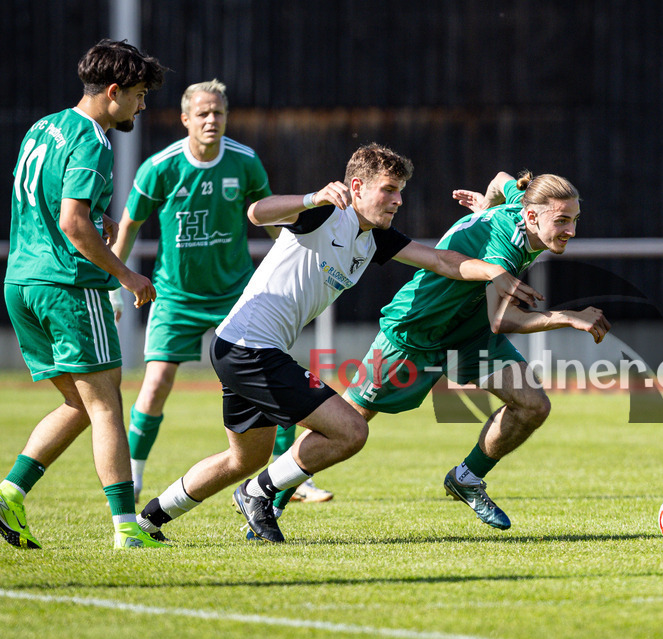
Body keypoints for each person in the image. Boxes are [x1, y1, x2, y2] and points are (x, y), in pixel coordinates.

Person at [135, 143, 540, 543]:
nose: (398, 200)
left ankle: (151, 519)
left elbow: (441, 260)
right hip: (249, 349)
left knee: (245, 458)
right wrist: (312, 197)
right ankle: (258, 493)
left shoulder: (375, 237)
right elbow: (256, 213)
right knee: (350, 430)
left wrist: (494, 273)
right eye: (389, 190)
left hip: (243, 349)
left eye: (400, 191)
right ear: (357, 186)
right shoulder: (327, 212)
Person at [343, 170, 609, 530]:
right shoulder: (506, 246)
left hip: (469, 332)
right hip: (417, 331)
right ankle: (269, 492)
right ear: (532, 217)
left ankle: (466, 478)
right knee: (346, 424)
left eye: (575, 220)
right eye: (562, 221)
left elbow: (502, 179)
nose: (571, 231)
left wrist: (489, 202)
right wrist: (568, 317)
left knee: (533, 404)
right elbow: (504, 320)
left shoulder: (521, 203)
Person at [109, 79, 329, 509]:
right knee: (154, 385)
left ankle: (288, 476)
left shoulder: (245, 162)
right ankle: (132, 478)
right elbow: (129, 224)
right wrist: (113, 284)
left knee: (273, 376)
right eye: (204, 113)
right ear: (186, 119)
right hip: (175, 295)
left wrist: (297, 263)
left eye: (219, 114)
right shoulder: (160, 166)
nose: (212, 121)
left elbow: (270, 219)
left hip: (236, 292)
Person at [0, 39, 169, 549]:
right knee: (106, 407)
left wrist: (100, 218)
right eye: (139, 95)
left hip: (21, 281)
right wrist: (127, 274)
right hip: (68, 286)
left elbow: (51, 204)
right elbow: (73, 222)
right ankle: (126, 529)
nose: (143, 106)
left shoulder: (42, 127)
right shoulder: (94, 140)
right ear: (113, 91)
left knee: (79, 403)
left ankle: (9, 493)